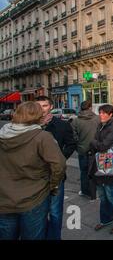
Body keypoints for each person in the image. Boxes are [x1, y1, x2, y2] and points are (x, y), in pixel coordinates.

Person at [0, 102, 66, 240]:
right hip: (34, 198)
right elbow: (59, 165)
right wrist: (52, 186)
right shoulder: (42, 137)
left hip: (4, 199)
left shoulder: (2, 135)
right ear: (38, 116)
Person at [35, 96, 76, 240]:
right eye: (38, 105)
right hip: (35, 177)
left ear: (51, 107)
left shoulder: (62, 125)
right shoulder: (29, 125)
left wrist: (60, 160)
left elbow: (71, 144)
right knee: (37, 212)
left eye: (44, 105)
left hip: (55, 175)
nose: (41, 109)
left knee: (55, 212)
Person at [89, 105, 113, 234]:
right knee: (102, 195)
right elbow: (99, 143)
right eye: (100, 112)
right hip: (100, 165)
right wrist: (96, 143)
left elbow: (103, 145)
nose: (101, 115)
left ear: (111, 114)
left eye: (104, 113)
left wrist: (93, 142)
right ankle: (106, 218)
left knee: (112, 195)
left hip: (110, 166)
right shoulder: (101, 125)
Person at [71, 100, 99, 200]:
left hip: (82, 150)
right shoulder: (97, 119)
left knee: (84, 172)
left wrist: (79, 145)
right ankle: (94, 192)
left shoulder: (75, 121)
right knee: (95, 171)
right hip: (95, 149)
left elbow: (73, 137)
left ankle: (85, 191)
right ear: (90, 107)